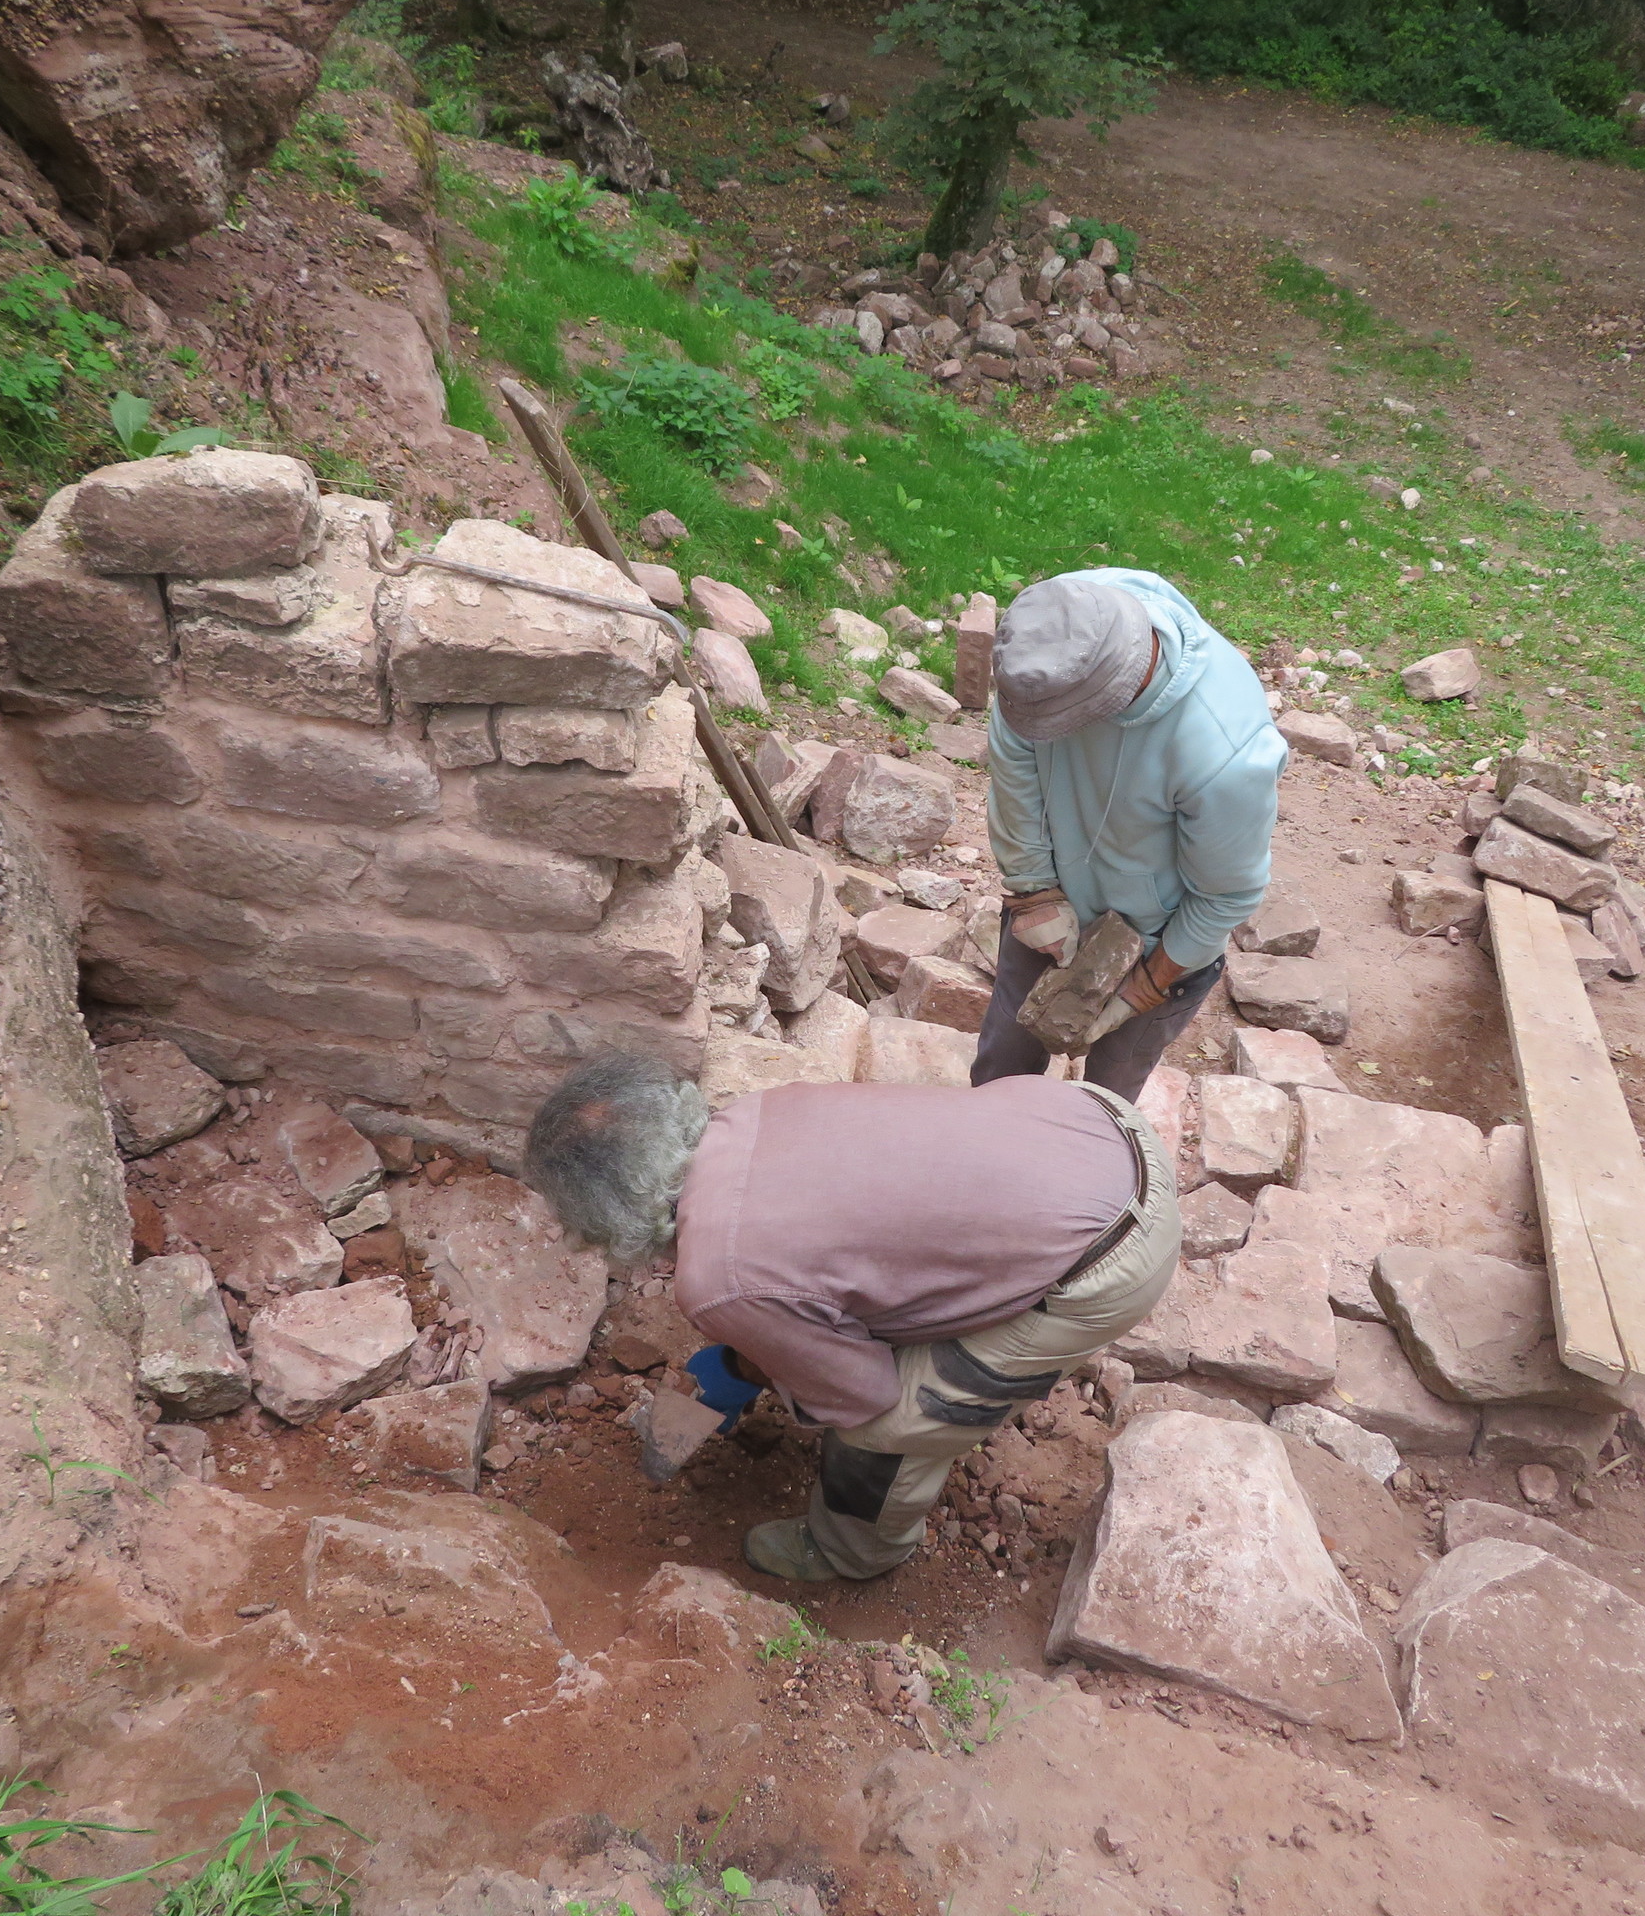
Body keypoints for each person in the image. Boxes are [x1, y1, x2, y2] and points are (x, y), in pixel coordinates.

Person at [522, 1051, 1178, 1583]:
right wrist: (762, 1349)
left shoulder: (716, 1281)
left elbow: (865, 1393)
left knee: (883, 1425)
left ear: (607, 1217)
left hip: (1113, 1254)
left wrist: (773, 1363)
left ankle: (851, 1553)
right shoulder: (751, 1113)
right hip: (1099, 1124)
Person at [973, 568, 1287, 1100]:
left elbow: (1226, 895)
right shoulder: (1059, 625)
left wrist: (1146, 987)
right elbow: (1015, 753)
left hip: (1159, 947)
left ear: (1113, 695)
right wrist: (1032, 890)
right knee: (1000, 1068)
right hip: (1053, 904)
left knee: (1109, 1100)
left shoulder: (1225, 756)